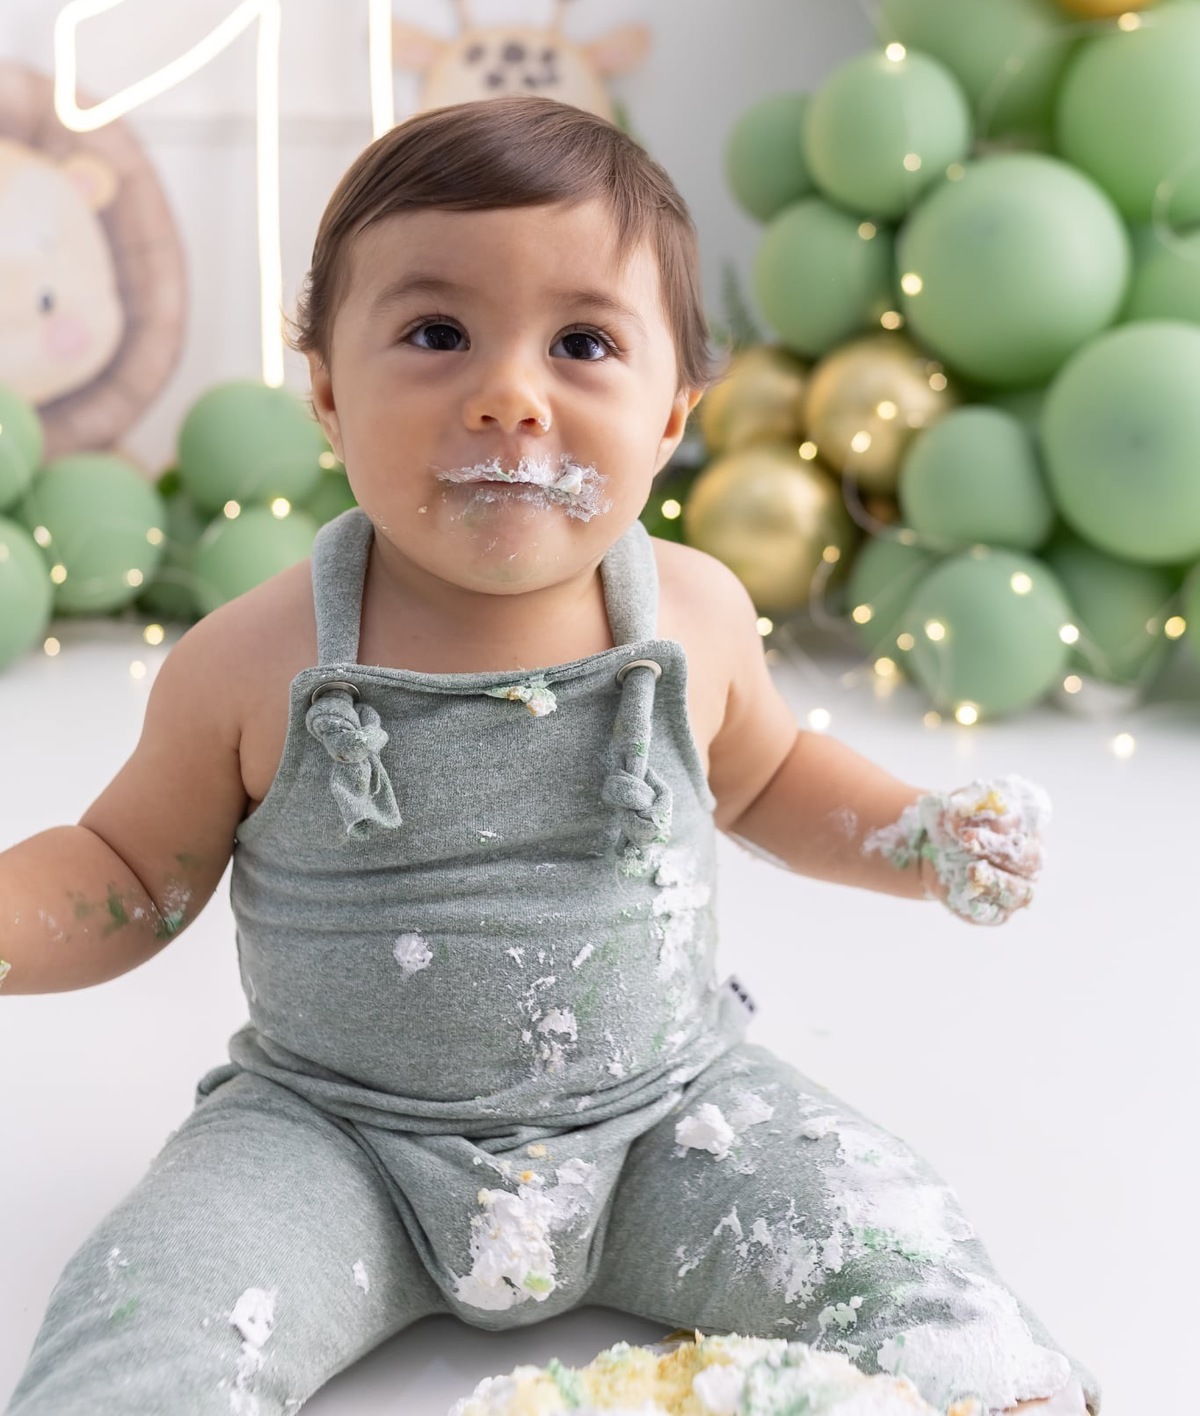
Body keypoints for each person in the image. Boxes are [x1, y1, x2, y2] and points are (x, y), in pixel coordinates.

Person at [1, 98, 1096, 1416]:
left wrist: (918, 836)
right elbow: (126, 869)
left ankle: (995, 1386)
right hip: (335, 1138)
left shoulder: (692, 616)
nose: (509, 396)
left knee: (885, 1235)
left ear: (676, 405)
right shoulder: (250, 661)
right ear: (333, 395)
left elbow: (770, 782)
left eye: (582, 342)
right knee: (157, 1301)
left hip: (668, 1122)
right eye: (436, 333)